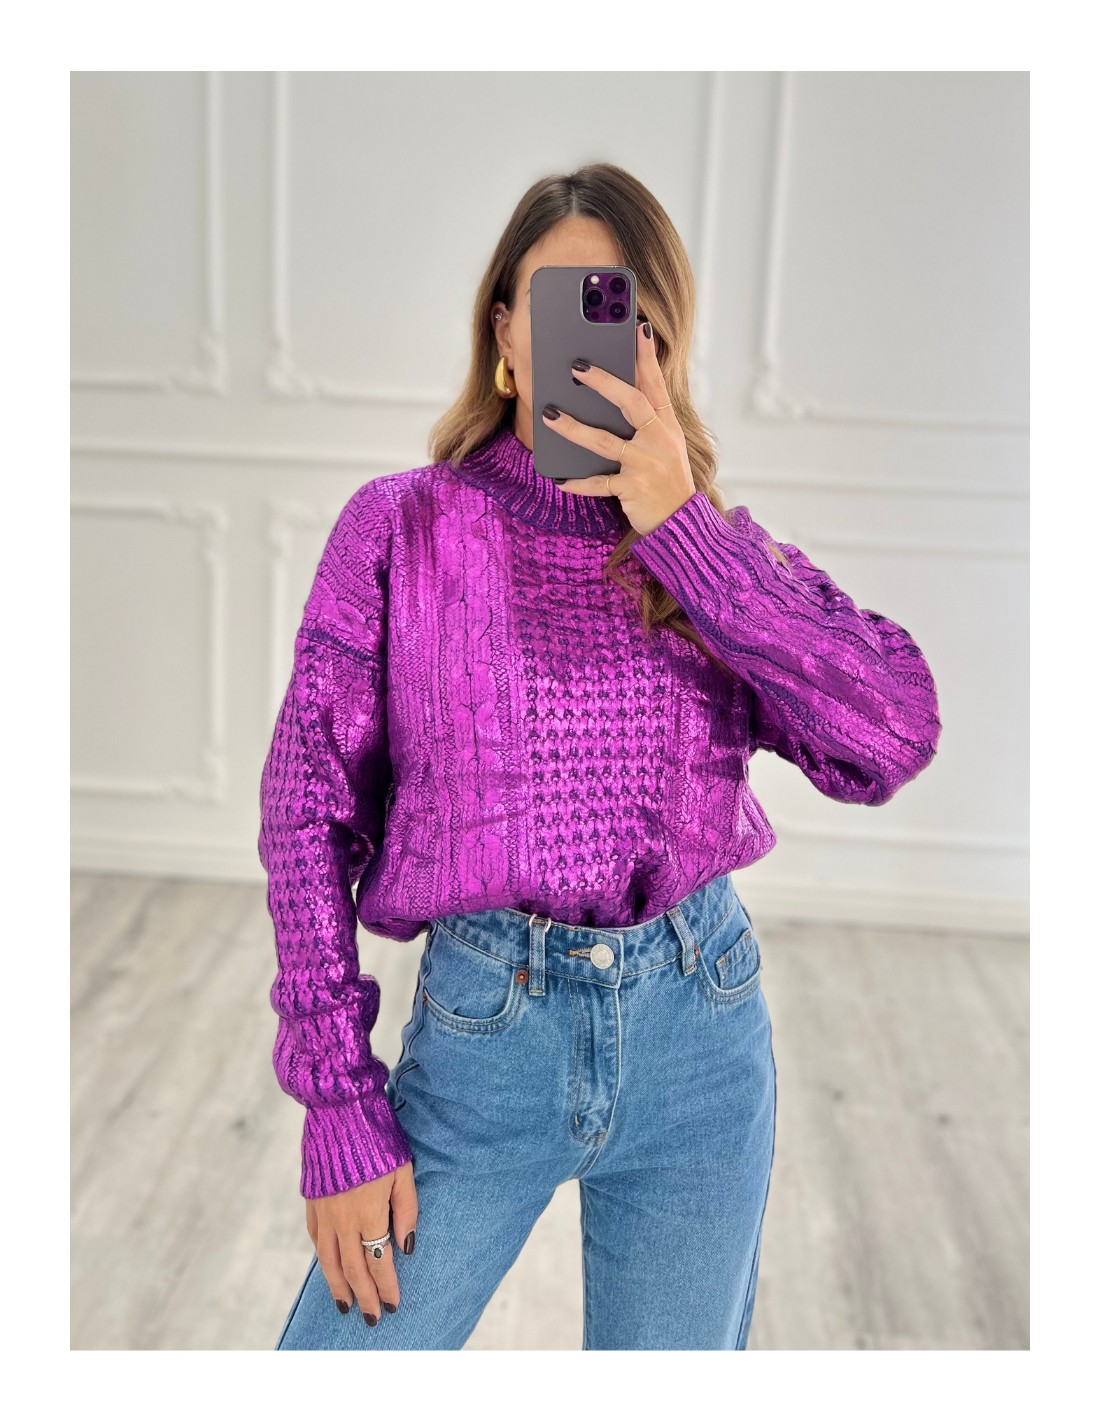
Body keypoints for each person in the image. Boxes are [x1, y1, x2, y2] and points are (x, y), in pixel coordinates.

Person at [258, 161, 941, 1351]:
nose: (591, 342)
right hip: (486, 1042)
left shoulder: (711, 563)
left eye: (624, 314)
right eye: (560, 301)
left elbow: (889, 734)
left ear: (660, 352)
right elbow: (305, 810)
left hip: (699, 1037)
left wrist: (687, 536)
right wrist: (337, 1101)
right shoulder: (401, 527)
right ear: (503, 334)